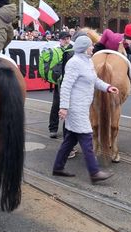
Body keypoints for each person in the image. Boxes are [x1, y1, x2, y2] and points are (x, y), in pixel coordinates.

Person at [52, 35, 117, 183]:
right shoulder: (74, 63)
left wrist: (107, 87)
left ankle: (58, 167)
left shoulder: (87, 62)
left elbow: (94, 80)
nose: (92, 47)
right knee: (87, 138)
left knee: (70, 140)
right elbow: (66, 86)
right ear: (83, 48)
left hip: (82, 106)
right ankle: (94, 173)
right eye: (90, 46)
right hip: (76, 108)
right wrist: (63, 107)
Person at [48, 31, 74, 139]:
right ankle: (53, 129)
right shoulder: (56, 50)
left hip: (70, 83)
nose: (66, 40)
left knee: (69, 107)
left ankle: (66, 131)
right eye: (64, 38)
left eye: (68, 38)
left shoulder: (73, 49)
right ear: (60, 40)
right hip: (59, 83)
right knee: (56, 105)